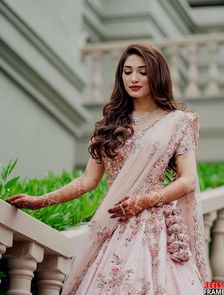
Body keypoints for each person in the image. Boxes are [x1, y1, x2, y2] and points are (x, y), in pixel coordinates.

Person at [7, 43, 210, 294]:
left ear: (157, 75)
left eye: (143, 72)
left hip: (153, 227)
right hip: (112, 225)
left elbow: (187, 180)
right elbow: (87, 181)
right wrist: (40, 201)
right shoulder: (109, 124)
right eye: (127, 71)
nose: (133, 78)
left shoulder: (177, 122)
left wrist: (144, 201)